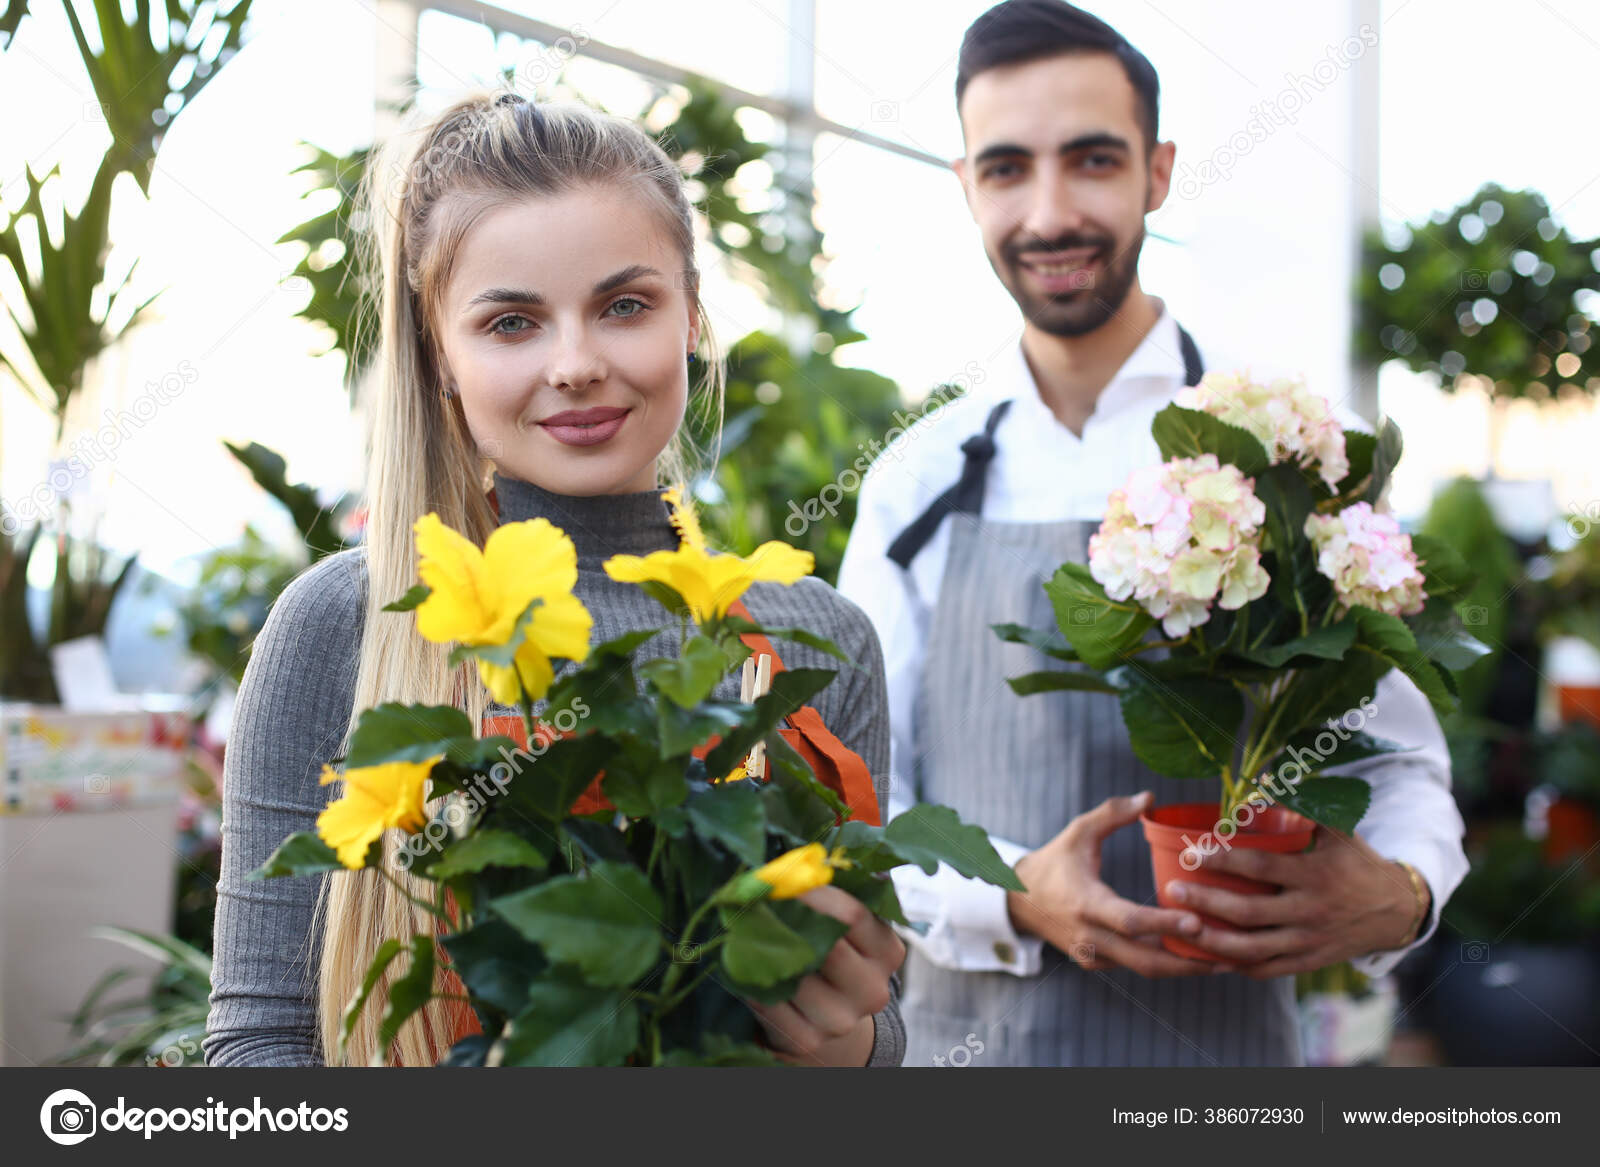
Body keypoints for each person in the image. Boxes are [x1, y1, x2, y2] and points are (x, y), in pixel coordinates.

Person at [203, 91, 905, 1068]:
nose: (575, 365)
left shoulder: (811, 639)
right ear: (438, 353)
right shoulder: (346, 622)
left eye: (624, 306)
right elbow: (259, 1051)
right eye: (511, 323)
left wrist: (844, 1039)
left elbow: (876, 1033)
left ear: (691, 317)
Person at [837, 0, 1466, 1066]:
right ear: (965, 188)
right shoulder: (917, 476)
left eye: (1090, 160)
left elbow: (1400, 764)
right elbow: (858, 801)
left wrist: (1404, 894)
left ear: (1157, 172)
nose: (1047, 214)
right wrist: (1012, 895)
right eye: (1004, 169)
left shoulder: (1296, 453)